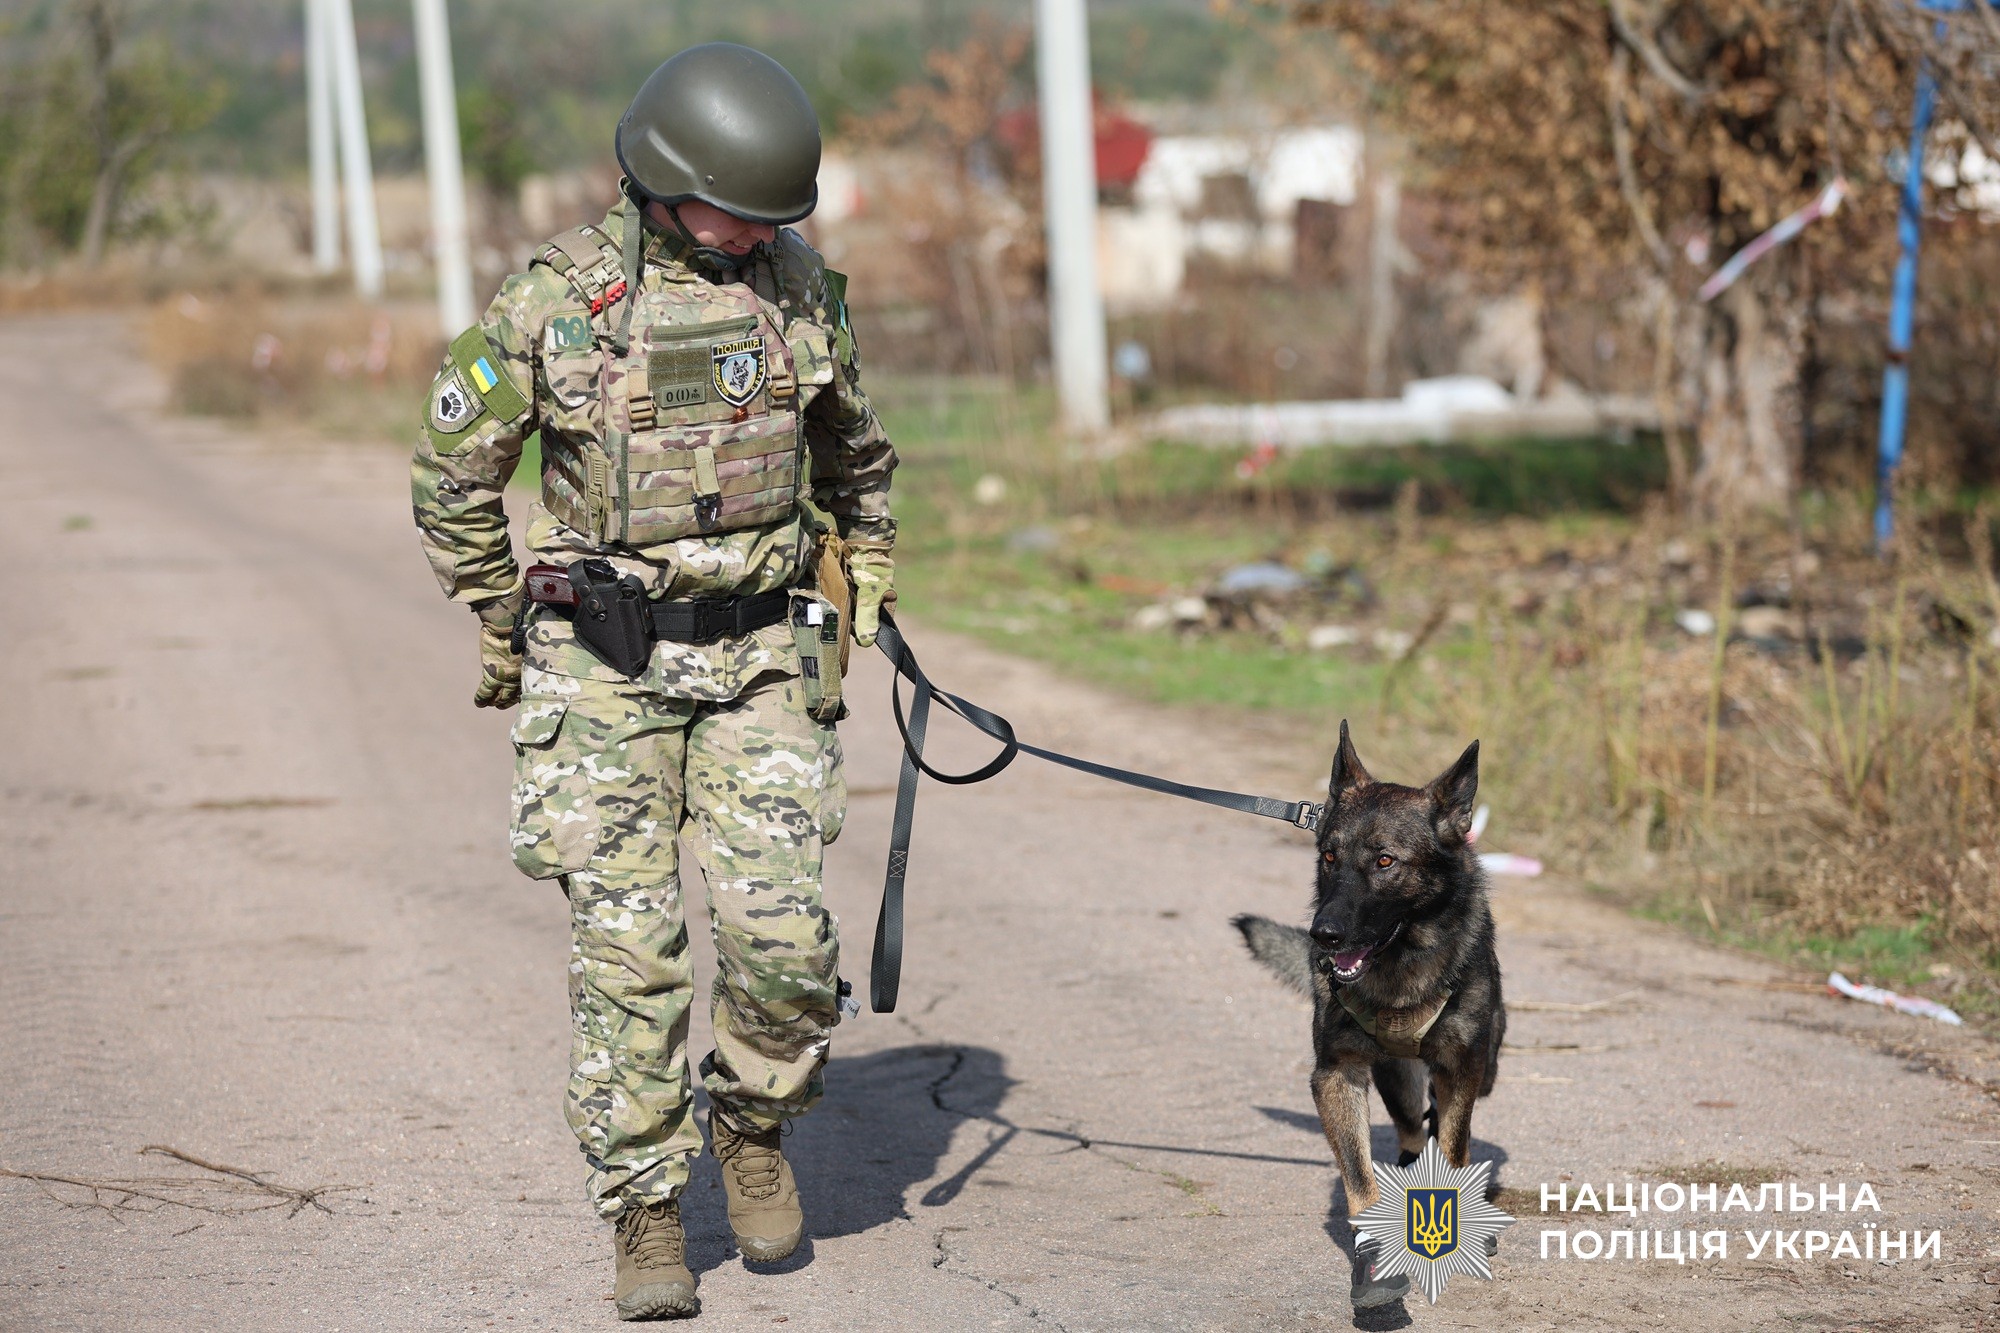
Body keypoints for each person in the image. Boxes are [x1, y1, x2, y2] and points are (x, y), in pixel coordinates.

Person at [410, 43, 896, 1321]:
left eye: (771, 217)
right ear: (662, 179)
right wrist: (495, 603)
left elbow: (857, 453)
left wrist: (869, 566)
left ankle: (750, 1120)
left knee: (785, 945)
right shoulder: (557, 302)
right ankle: (640, 1204)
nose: (753, 235)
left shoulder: (798, 292)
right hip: (606, 673)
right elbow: (452, 468)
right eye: (736, 211)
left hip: (758, 666)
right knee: (630, 956)